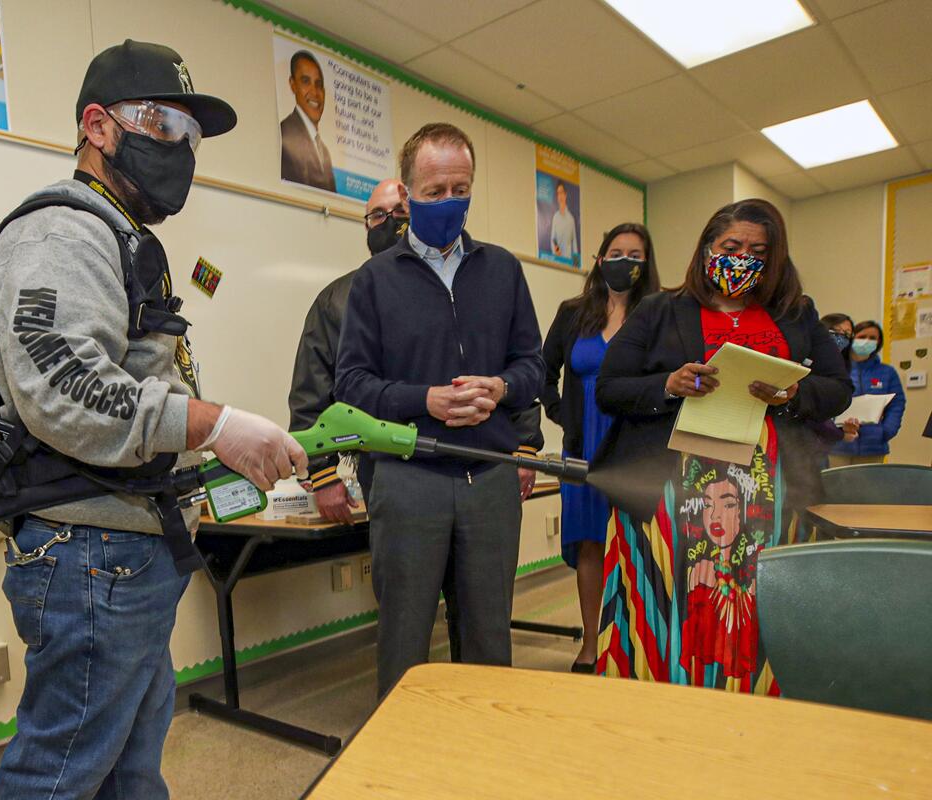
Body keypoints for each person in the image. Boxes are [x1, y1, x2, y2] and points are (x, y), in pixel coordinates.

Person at [0, 40, 307, 798]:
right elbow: (65, 390)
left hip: (122, 551)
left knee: (129, 770)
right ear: (97, 126)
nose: (181, 151)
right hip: (90, 556)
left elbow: (125, 382)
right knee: (57, 778)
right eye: (162, 125)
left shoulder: (122, 239)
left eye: (190, 138)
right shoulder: (66, 235)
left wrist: (203, 464)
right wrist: (216, 424)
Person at [592, 198, 851, 693]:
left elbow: (838, 389)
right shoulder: (659, 310)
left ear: (773, 258)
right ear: (708, 248)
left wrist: (795, 393)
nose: (742, 258)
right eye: (731, 246)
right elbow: (610, 388)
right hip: (672, 493)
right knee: (680, 602)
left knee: (753, 604)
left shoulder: (796, 314)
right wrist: (669, 384)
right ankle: (666, 697)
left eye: (757, 250)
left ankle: (755, 702)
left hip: (772, 494)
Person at [336, 122, 545, 698]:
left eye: (461, 189)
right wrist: (423, 400)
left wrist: (501, 389)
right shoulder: (375, 282)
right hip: (409, 479)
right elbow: (351, 383)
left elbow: (533, 365)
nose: (449, 203)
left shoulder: (503, 269)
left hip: (490, 480)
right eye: (434, 192)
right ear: (406, 194)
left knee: (487, 642)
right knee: (403, 642)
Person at [539, 222, 660, 674]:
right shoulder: (574, 312)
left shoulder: (658, 314)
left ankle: (636, 640)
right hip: (582, 445)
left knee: (637, 542)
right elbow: (541, 369)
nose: (624, 260)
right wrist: (560, 413)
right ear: (599, 258)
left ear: (646, 264)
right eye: (616, 251)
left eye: (635, 253)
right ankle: (592, 642)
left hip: (636, 447)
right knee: (590, 545)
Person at [288, 178, 408, 524]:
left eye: (400, 212)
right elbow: (310, 392)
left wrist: (521, 446)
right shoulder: (337, 301)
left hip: (458, 460)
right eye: (378, 215)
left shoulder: (451, 291)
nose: (390, 221)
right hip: (383, 467)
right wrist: (323, 474)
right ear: (366, 225)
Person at [828, 319, 906, 467]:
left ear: (878, 342)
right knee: (838, 488)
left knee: (871, 489)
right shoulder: (838, 368)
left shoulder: (887, 372)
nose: (866, 341)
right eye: (862, 337)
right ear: (852, 338)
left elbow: (897, 404)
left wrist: (886, 431)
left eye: (872, 338)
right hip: (839, 445)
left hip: (874, 446)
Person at [279, 50, 335, 192]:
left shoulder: (325, 152)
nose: (314, 92)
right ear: (293, 85)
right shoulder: (283, 135)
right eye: (305, 81)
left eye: (318, 84)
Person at [815, 313, 860, 454]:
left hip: (824, 445)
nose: (841, 337)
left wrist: (842, 429)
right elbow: (810, 411)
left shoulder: (841, 369)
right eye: (836, 330)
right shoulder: (810, 361)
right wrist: (839, 434)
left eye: (847, 334)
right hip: (801, 443)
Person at [550, 180, 578, 264]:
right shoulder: (555, 217)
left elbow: (574, 243)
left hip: (569, 262)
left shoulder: (571, 219)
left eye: (561, 192)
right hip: (557, 261)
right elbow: (552, 239)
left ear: (565, 194)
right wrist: (555, 250)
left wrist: (576, 263)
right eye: (558, 193)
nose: (560, 196)